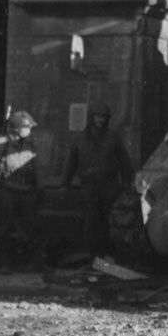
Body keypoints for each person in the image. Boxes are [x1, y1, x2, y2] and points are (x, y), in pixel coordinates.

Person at [61, 102, 135, 260]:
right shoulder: (80, 139)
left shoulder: (113, 138)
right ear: (91, 117)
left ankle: (109, 254)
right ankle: (93, 256)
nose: (100, 120)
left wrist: (128, 179)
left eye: (103, 117)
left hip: (109, 185)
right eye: (97, 116)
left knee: (109, 221)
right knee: (90, 223)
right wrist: (65, 184)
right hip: (88, 186)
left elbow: (124, 160)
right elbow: (71, 163)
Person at [0, 110, 45, 273]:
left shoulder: (32, 144)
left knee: (32, 226)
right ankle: (5, 263)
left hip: (28, 191)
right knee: (5, 228)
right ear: (16, 128)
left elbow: (38, 168)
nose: (29, 130)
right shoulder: (2, 143)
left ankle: (36, 261)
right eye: (26, 127)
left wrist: (40, 187)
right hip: (8, 190)